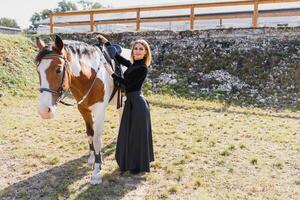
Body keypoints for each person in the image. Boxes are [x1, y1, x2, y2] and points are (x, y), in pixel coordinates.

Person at [96, 35, 154, 174]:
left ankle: (137, 165)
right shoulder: (134, 64)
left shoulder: (143, 68)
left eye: (141, 49)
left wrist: (111, 73)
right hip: (132, 102)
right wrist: (108, 44)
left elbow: (127, 85)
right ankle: (132, 162)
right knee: (130, 134)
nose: (138, 51)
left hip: (137, 103)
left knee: (136, 135)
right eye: (136, 48)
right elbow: (119, 58)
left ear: (146, 52)